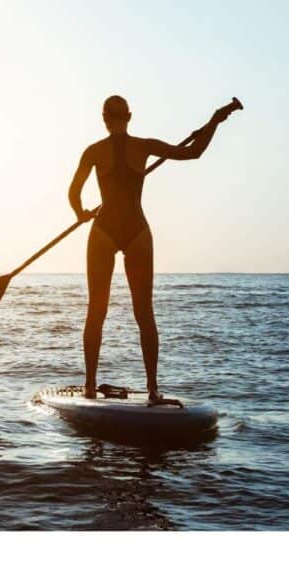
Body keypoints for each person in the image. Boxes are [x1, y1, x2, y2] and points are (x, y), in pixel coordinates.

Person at [67, 95, 240, 401]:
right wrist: (215, 120)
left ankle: (90, 386)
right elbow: (194, 152)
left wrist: (80, 213)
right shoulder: (143, 146)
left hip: (104, 231)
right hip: (137, 231)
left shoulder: (93, 151)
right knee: (144, 312)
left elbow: (74, 192)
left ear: (104, 118)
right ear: (129, 116)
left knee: (96, 311)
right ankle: (153, 389)